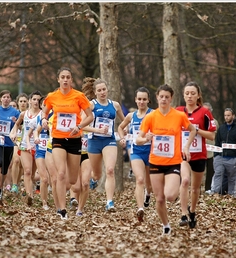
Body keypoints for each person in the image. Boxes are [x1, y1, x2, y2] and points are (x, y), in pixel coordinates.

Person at [136, 84, 196, 235]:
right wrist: (145, 139)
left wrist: (187, 146)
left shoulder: (179, 116)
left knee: (169, 196)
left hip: (173, 162)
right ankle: (166, 225)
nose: (163, 99)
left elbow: (193, 130)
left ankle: (174, 199)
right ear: (156, 98)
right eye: (161, 96)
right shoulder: (150, 117)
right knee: (160, 199)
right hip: (155, 162)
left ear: (171, 99)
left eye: (166, 97)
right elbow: (138, 139)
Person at [41, 67, 93, 220]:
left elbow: (89, 116)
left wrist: (79, 126)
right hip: (58, 138)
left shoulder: (79, 96)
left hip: (75, 139)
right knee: (60, 173)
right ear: (58, 79)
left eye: (68, 77)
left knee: (71, 181)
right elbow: (44, 112)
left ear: (71, 80)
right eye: (62, 77)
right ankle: (62, 210)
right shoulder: (52, 97)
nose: (65, 80)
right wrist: (44, 120)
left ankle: (61, 196)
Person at [176, 82, 216, 228]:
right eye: (187, 93)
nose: (189, 96)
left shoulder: (205, 112)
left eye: (193, 93)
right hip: (183, 154)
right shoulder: (178, 111)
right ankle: (183, 214)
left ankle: (192, 211)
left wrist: (195, 130)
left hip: (199, 155)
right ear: (183, 95)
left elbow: (212, 136)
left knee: (195, 188)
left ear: (198, 95)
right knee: (185, 181)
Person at [81, 77, 125, 212]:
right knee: (97, 175)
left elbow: (124, 121)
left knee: (110, 170)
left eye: (104, 89)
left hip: (109, 140)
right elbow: (82, 125)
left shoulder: (115, 105)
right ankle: (94, 180)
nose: (102, 92)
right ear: (95, 92)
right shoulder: (91, 105)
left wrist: (124, 131)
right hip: (94, 141)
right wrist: (97, 130)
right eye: (99, 90)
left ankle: (109, 202)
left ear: (107, 90)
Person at [118, 87, 154, 222]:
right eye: (139, 99)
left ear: (148, 100)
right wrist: (122, 138)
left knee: (149, 185)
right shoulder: (131, 116)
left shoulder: (153, 114)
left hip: (151, 152)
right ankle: (140, 208)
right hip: (136, 151)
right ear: (135, 100)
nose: (141, 102)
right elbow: (120, 127)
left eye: (144, 99)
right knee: (139, 179)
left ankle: (148, 194)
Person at [10, 90, 43, 205]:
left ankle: (30, 190)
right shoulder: (24, 114)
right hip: (25, 145)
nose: (36, 102)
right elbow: (16, 125)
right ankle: (30, 196)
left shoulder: (43, 114)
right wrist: (13, 133)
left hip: (38, 146)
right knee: (27, 171)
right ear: (30, 101)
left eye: (38, 100)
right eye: (34, 99)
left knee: (33, 175)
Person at [0, 90, 20, 200]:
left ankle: (0, 188)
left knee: (5, 168)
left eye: (8, 97)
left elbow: (20, 127)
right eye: (4, 97)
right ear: (0, 99)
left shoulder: (15, 112)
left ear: (10, 99)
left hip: (8, 143)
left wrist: (16, 123)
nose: (6, 99)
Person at [212, 108, 236, 196]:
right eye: (225, 115)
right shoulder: (221, 128)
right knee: (218, 174)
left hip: (232, 158)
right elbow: (217, 142)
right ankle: (215, 192)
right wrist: (216, 155)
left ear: (233, 116)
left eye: (228, 115)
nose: (226, 117)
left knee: (232, 178)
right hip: (220, 157)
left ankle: (232, 194)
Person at [202, 102, 219, 192]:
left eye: (208, 110)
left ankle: (208, 189)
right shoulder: (198, 120)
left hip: (211, 152)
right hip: (200, 151)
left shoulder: (214, 122)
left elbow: (216, 136)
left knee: (210, 172)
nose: (206, 112)